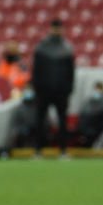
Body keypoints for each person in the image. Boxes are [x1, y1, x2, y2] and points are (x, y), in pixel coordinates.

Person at [31, 18, 75, 157]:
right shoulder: (41, 47)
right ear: (50, 29)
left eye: (59, 28)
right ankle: (38, 150)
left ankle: (63, 150)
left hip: (61, 92)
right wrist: (37, 88)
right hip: (43, 91)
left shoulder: (67, 48)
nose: (57, 30)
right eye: (55, 28)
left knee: (62, 122)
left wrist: (68, 89)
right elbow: (36, 71)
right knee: (40, 121)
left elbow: (71, 72)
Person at [77, 81, 103, 148]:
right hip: (89, 125)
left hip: (96, 127)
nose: (98, 90)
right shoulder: (90, 99)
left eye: (100, 88)